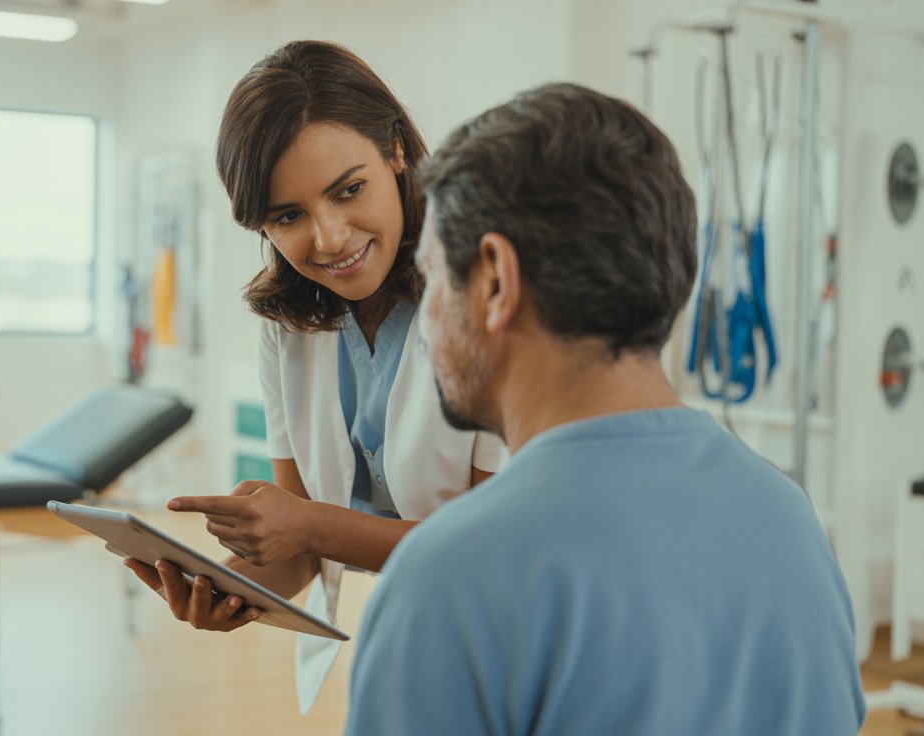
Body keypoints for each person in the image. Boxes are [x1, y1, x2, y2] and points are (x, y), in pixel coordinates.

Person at [345, 83, 866, 735]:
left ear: (496, 282)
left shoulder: (450, 579)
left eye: (433, 281)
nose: (425, 324)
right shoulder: (789, 523)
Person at [122, 40, 507, 712]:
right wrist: (231, 585)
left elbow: (488, 550)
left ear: (395, 150)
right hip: (410, 646)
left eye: (348, 190)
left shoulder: (483, 298)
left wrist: (309, 527)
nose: (328, 239)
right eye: (287, 216)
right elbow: (300, 548)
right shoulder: (286, 328)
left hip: (514, 645)